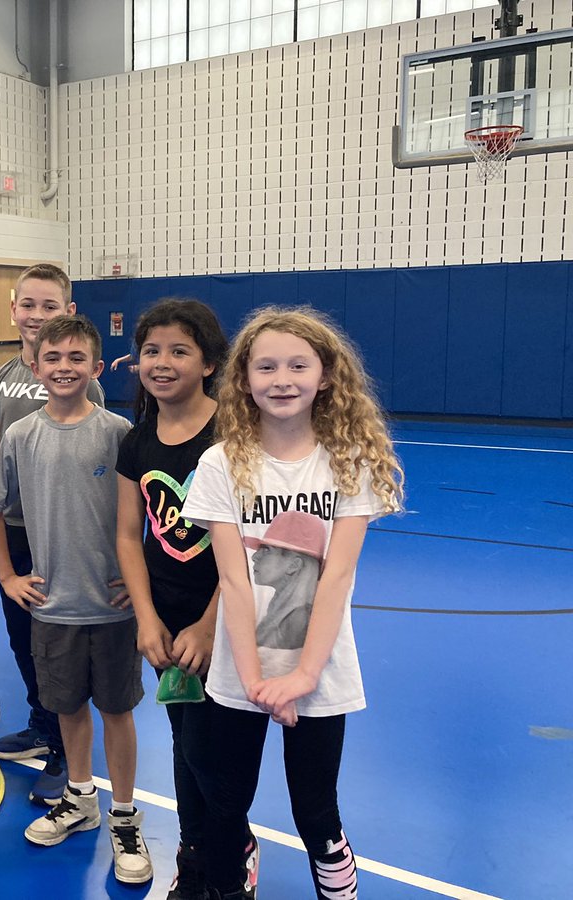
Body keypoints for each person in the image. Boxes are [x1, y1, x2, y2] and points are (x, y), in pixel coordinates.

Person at [181, 306, 404, 900]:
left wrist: (303, 675)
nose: (282, 379)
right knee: (225, 806)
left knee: (316, 812)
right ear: (243, 378)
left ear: (326, 376)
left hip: (320, 672)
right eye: (267, 366)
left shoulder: (349, 463)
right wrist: (253, 679)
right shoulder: (220, 464)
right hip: (241, 671)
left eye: (298, 366)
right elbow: (233, 581)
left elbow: (336, 578)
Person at [0, 315, 151, 885]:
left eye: (77, 358)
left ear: (96, 368)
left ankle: (123, 815)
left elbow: (151, 514)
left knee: (117, 711)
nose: (64, 367)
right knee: (68, 709)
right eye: (53, 358)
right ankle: (80, 799)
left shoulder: (120, 432)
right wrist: (8, 576)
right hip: (51, 607)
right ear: (35, 367)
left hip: (114, 609)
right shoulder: (19, 435)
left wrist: (142, 580)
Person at [114, 299, 258, 900]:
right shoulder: (137, 441)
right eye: (152, 351)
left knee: (210, 749)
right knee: (184, 739)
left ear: (209, 363)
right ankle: (196, 854)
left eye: (179, 351)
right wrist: (148, 618)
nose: (162, 362)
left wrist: (208, 623)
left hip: (224, 617)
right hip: (167, 620)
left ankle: (231, 856)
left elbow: (250, 541)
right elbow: (129, 535)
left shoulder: (235, 436)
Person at [0, 263, 106, 804]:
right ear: (12, 311)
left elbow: (96, 466)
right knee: (22, 637)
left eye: (49, 306)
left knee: (59, 643)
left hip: (63, 534)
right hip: (12, 531)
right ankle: (41, 722)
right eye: (27, 304)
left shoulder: (82, 380)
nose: (36, 315)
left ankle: (64, 745)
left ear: (68, 311)